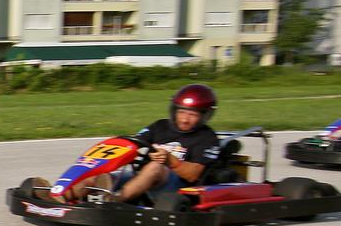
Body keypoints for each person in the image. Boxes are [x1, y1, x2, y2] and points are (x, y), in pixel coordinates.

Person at [36, 84, 220, 203]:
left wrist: (170, 160)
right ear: (174, 110)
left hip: (173, 188)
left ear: (204, 115)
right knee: (103, 171)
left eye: (192, 114)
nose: (185, 119)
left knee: (156, 167)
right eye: (182, 112)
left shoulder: (207, 138)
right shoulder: (160, 126)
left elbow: (193, 174)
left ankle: (115, 201)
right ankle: (61, 196)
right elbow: (136, 141)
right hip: (140, 179)